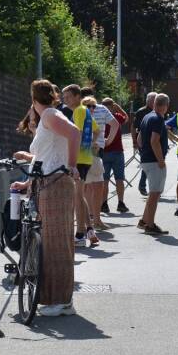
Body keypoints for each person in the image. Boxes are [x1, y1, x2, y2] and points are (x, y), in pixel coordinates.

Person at [10, 79, 81, 317]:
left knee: (57, 243)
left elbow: (74, 133)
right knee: (49, 243)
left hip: (56, 184)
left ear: (32, 98)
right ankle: (53, 298)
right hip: (45, 184)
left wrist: (71, 166)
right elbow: (43, 159)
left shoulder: (50, 115)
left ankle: (62, 301)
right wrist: (27, 182)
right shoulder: (46, 121)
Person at [62, 84, 100, 246]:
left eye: (68, 97)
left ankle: (80, 234)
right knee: (79, 194)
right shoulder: (85, 111)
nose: (65, 100)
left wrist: (74, 155)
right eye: (64, 97)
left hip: (78, 159)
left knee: (77, 196)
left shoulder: (78, 111)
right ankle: (90, 229)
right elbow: (97, 131)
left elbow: (75, 133)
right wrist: (90, 144)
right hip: (85, 158)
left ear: (78, 97)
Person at [80, 92, 120, 231]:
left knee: (89, 187)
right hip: (91, 153)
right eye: (88, 106)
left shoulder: (82, 115)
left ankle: (91, 219)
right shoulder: (86, 116)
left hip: (92, 153)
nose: (92, 109)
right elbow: (115, 124)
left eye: (93, 106)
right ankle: (93, 220)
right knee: (94, 186)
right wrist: (103, 141)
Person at [137, 93, 171, 235]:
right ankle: (150, 225)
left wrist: (143, 152)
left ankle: (144, 220)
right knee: (155, 194)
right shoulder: (158, 119)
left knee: (152, 193)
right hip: (154, 161)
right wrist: (161, 161)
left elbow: (139, 139)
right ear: (166, 106)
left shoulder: (147, 116)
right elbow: (154, 141)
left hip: (146, 159)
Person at [100, 97, 130, 214]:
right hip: (117, 152)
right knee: (119, 179)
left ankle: (104, 204)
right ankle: (120, 203)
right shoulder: (116, 117)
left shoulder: (100, 118)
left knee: (105, 180)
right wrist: (119, 108)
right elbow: (126, 118)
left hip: (104, 152)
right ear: (112, 107)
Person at [133, 92, 158, 196]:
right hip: (143, 143)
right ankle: (143, 186)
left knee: (153, 165)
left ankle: (153, 188)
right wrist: (134, 142)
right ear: (148, 101)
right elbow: (133, 127)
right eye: (154, 100)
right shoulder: (141, 111)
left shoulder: (157, 111)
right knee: (148, 164)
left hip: (155, 142)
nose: (155, 102)